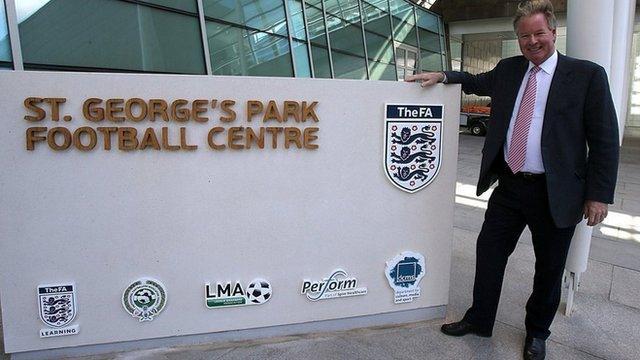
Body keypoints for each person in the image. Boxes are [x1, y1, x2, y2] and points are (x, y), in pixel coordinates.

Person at [406, 1, 619, 359]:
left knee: (549, 268)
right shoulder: (509, 69)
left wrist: (598, 195)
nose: (532, 41)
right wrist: (442, 76)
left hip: (557, 192)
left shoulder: (587, 76)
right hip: (510, 186)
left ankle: (537, 332)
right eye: (524, 36)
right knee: (488, 253)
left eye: (538, 33)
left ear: (553, 32)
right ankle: (479, 318)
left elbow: (604, 140)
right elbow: (475, 82)